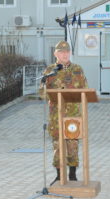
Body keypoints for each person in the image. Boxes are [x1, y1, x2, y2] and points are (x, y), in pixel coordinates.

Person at [39, 41, 88, 185]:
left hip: (73, 115)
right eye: (61, 52)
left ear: (70, 53)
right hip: (56, 116)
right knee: (58, 147)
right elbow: (42, 92)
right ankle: (60, 176)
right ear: (55, 54)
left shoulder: (78, 70)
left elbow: (85, 89)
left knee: (73, 145)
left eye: (67, 52)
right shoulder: (50, 71)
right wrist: (47, 94)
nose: (65, 54)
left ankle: (72, 175)